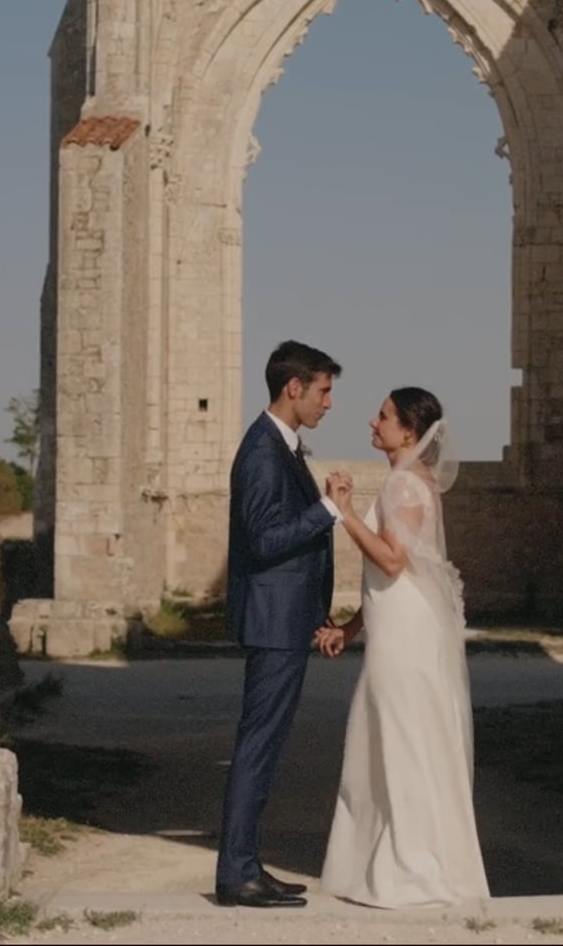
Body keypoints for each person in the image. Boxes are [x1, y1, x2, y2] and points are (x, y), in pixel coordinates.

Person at [316, 387, 490, 909]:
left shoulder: (402, 486)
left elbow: (391, 563)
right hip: (398, 625)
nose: (373, 421)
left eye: (384, 415)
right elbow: (401, 577)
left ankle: (412, 868)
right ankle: (393, 860)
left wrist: (343, 513)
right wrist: (350, 629)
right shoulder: (413, 483)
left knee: (402, 738)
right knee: (394, 736)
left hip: (406, 637)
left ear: (409, 433)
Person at [214, 340, 355, 909]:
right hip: (272, 623)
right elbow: (266, 539)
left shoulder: (284, 447)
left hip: (288, 620)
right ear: (293, 388)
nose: (329, 402)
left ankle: (249, 865)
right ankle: (236, 874)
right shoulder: (262, 452)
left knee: (266, 748)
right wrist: (327, 510)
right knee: (256, 747)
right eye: (323, 390)